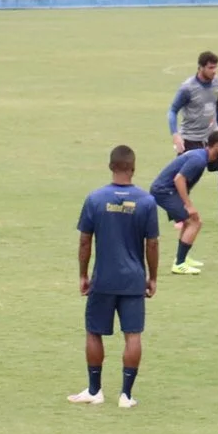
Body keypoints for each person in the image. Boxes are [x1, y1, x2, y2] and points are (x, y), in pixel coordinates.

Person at [72, 145, 160, 407]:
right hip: (133, 280)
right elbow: (152, 244)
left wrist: (83, 274)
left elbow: (85, 242)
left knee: (94, 332)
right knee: (132, 335)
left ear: (111, 166)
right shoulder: (146, 202)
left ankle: (95, 390)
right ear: (133, 168)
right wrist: (152, 277)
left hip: (104, 278)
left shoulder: (96, 199)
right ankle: (126, 394)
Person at [169, 51, 218, 226]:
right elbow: (172, 111)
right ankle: (181, 215)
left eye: (215, 67)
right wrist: (175, 135)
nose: (214, 71)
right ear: (200, 68)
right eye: (210, 68)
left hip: (212, 138)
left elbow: (217, 104)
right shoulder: (187, 88)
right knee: (187, 178)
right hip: (191, 138)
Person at [149, 129, 218, 274]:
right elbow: (179, 179)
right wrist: (188, 205)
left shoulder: (201, 157)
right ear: (217, 146)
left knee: (190, 221)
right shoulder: (198, 160)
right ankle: (179, 264)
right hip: (164, 191)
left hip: (167, 190)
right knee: (195, 222)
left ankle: (181, 259)